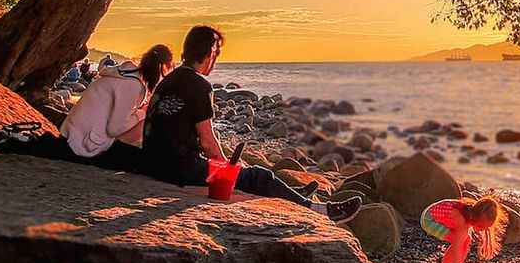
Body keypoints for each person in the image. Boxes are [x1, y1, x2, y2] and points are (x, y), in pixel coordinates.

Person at [142, 25, 359, 222]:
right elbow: (208, 144)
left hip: (154, 164)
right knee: (258, 176)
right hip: (178, 171)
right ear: (209, 53)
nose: (216, 60)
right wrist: (228, 168)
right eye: (216, 53)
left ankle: (294, 197)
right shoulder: (199, 86)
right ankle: (321, 211)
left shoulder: (167, 82)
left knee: (245, 172)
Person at [58, 45, 174, 170]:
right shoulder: (132, 85)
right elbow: (114, 129)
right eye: (169, 71)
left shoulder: (124, 74)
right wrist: (142, 113)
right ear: (162, 67)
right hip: (84, 144)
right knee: (146, 120)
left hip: (72, 134)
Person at [421, 195, 508, 263]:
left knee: (466, 240)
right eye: (480, 226)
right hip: (429, 220)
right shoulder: (461, 219)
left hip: (440, 216)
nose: (481, 230)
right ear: (475, 218)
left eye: (485, 228)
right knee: (458, 241)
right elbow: (457, 249)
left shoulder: (471, 214)